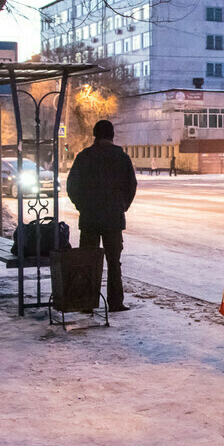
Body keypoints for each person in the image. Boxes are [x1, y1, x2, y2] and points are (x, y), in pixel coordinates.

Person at [67, 120, 137, 312]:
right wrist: (122, 206)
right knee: (114, 262)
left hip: (89, 218)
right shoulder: (121, 158)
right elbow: (131, 185)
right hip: (113, 219)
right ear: (112, 135)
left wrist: (82, 206)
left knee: (88, 260)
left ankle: (87, 302)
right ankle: (115, 302)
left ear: (95, 135)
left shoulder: (84, 157)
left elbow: (72, 186)